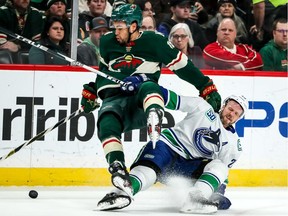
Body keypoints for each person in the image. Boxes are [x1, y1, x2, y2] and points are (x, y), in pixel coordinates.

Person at [80, 3, 221, 200]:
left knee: (149, 86)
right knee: (106, 119)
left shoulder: (155, 42)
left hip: (143, 101)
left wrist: (205, 85)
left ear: (134, 26)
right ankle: (118, 168)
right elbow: (104, 74)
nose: (116, 32)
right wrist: (93, 91)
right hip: (118, 100)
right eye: (115, 27)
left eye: (120, 28)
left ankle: (155, 115)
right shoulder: (107, 42)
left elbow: (182, 66)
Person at [96, 86, 248, 214]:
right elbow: (170, 98)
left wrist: (217, 194)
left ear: (239, 118)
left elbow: (222, 174)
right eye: (230, 108)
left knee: (220, 166)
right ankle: (122, 193)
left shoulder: (233, 144)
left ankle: (196, 198)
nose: (231, 114)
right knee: (147, 173)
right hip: (167, 147)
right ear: (224, 106)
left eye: (236, 113)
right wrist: (147, 89)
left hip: (187, 168)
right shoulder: (202, 107)